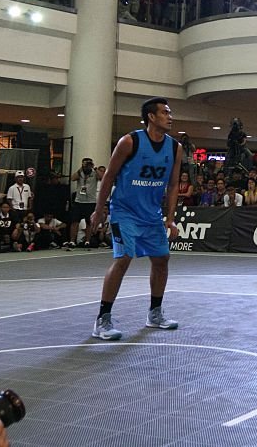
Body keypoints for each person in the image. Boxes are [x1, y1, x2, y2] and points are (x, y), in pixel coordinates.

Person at [89, 97, 183, 340]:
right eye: (165, 112)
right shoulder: (129, 141)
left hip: (151, 215)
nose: (170, 116)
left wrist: (170, 218)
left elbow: (173, 185)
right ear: (151, 117)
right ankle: (103, 319)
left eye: (170, 112)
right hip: (124, 212)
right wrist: (99, 209)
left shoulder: (174, 147)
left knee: (162, 259)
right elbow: (109, 176)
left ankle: (154, 314)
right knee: (124, 258)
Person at [70, 157, 102, 249]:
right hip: (79, 201)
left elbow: (102, 177)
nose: (87, 166)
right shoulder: (80, 173)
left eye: (88, 164)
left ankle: (87, 241)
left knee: (89, 222)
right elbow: (73, 178)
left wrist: (94, 168)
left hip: (90, 201)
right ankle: (72, 241)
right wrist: (81, 168)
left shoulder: (94, 173)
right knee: (75, 221)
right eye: (85, 164)